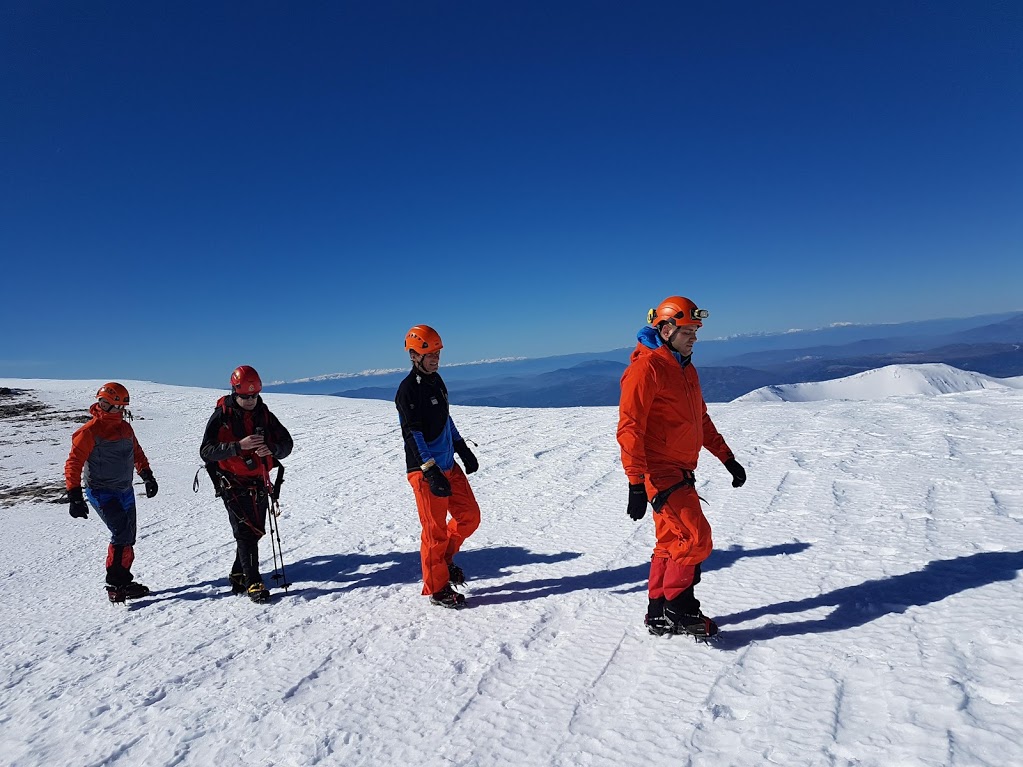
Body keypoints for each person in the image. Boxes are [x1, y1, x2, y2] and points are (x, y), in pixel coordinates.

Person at [617, 296, 747, 638]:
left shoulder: (684, 367)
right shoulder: (647, 368)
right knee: (694, 538)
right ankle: (681, 609)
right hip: (659, 472)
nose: (694, 337)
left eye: (695, 330)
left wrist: (727, 457)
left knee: (670, 543)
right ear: (665, 328)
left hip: (681, 470)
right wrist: (634, 482)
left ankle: (658, 613)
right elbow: (630, 427)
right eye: (687, 330)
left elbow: (698, 419)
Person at [395, 325, 481, 609]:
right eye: (428, 353)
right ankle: (438, 588)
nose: (435, 358)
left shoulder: (437, 381)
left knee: (469, 516)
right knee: (434, 531)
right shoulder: (408, 390)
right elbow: (413, 433)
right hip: (425, 471)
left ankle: (445, 558)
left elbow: (446, 420)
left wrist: (463, 448)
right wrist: (429, 470)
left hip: (448, 464)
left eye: (437, 352)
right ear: (413, 355)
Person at [199, 365, 293, 603]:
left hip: (259, 480)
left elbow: (287, 444)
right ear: (235, 392)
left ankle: (239, 573)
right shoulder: (222, 416)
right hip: (231, 482)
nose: (250, 400)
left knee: (255, 529)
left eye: (254, 395)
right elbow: (206, 451)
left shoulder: (264, 414)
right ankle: (253, 582)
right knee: (246, 531)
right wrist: (238, 447)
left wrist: (271, 448)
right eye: (245, 396)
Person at [65, 382, 159, 603]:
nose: (115, 411)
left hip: (125, 491)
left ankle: (123, 582)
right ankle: (115, 585)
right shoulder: (88, 431)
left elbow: (136, 452)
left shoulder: (126, 428)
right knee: (121, 533)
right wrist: (75, 495)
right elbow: (73, 463)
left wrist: (147, 475)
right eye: (107, 404)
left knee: (129, 536)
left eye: (117, 407)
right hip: (101, 492)